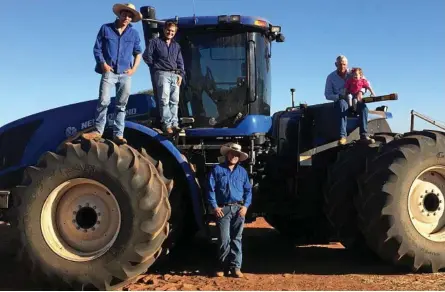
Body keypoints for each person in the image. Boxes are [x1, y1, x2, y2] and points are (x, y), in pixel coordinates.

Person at [82, 3, 142, 145]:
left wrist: (134, 69)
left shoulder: (134, 34)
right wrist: (103, 64)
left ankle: (118, 135)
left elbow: (138, 53)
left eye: (129, 16)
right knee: (103, 101)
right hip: (109, 71)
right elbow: (97, 49)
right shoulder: (106, 28)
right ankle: (97, 131)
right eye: (124, 14)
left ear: (131, 19)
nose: (126, 17)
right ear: (119, 14)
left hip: (125, 73)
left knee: (121, 105)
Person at [207, 142, 252, 278]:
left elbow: (248, 191)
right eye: (233, 154)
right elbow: (210, 189)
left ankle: (236, 267)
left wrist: (245, 206)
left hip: (239, 209)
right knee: (224, 239)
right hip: (223, 209)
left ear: (239, 157)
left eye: (237, 155)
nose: (234, 157)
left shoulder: (242, 172)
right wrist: (215, 206)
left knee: (237, 238)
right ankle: (223, 267)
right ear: (228, 154)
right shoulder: (217, 170)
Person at [143, 21, 185, 134]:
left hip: (175, 74)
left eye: (172, 31)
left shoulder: (176, 46)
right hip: (162, 74)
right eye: (168, 30)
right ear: (164, 29)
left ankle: (175, 124)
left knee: (174, 101)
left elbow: (180, 62)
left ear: (175, 32)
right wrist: (155, 67)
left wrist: (180, 74)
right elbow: (146, 56)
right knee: (164, 100)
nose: (170, 32)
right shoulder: (155, 42)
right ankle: (167, 124)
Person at [324, 55, 375, 145]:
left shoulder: (354, 72)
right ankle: (342, 136)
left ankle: (364, 135)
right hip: (342, 100)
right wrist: (340, 96)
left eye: (344, 64)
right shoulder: (330, 77)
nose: (342, 66)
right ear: (336, 64)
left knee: (363, 107)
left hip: (355, 97)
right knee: (342, 105)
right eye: (340, 64)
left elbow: (366, 83)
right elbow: (328, 95)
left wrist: (361, 92)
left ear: (347, 64)